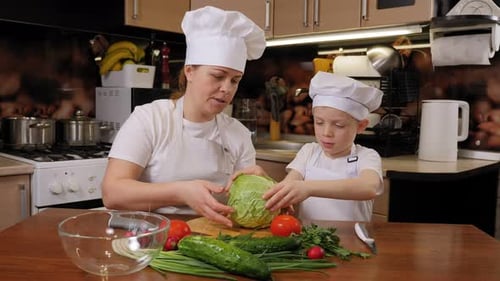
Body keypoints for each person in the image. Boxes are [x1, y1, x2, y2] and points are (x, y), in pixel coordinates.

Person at [101, 6, 267, 227]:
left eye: (235, 80)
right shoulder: (150, 119)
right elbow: (113, 193)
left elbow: (241, 207)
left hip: (213, 241)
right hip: (150, 239)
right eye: (218, 76)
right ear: (190, 71)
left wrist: (262, 186)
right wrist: (181, 191)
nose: (226, 88)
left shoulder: (238, 134)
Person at [263, 71, 385, 222]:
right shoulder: (309, 152)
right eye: (319, 122)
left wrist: (308, 188)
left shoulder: (366, 156)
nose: (327, 133)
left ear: (361, 126)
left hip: (353, 240)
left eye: (339, 125)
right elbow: (290, 183)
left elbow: (368, 187)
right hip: (311, 240)